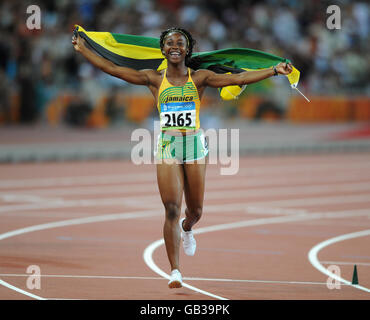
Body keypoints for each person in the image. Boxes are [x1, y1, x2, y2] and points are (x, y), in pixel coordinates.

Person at [72, 27, 292, 289]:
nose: (174, 46)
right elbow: (112, 68)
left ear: (187, 49)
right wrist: (84, 48)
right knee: (171, 209)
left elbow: (238, 78)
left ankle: (188, 228)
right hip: (168, 146)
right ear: (162, 50)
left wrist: (274, 70)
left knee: (195, 211)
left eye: (180, 42)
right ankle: (175, 270)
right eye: (169, 43)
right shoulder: (153, 78)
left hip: (195, 146)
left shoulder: (200, 78)